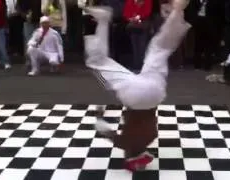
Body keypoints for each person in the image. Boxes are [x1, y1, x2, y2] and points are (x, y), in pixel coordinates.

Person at [81, 0, 190, 171]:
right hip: (136, 95)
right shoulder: (126, 143)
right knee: (96, 62)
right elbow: (105, 130)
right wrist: (99, 118)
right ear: (130, 154)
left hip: (155, 92)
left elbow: (143, 121)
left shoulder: (151, 136)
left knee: (159, 49)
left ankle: (177, 12)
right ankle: (103, 20)